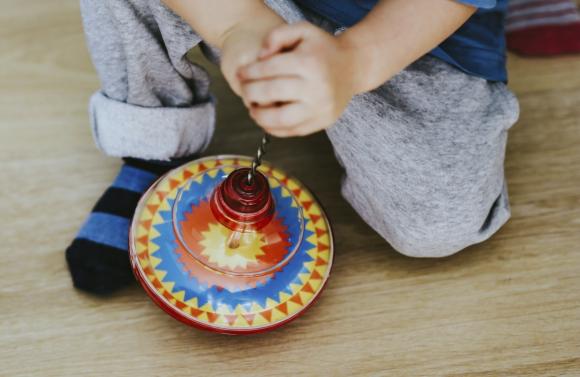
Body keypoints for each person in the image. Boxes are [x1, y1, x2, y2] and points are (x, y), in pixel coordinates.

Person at [66, 0, 520, 294]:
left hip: (418, 36)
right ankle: (156, 143)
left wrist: (356, 61)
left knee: (437, 226)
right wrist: (237, 27)